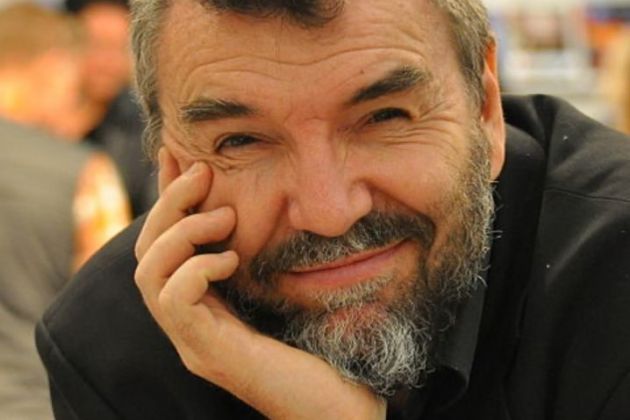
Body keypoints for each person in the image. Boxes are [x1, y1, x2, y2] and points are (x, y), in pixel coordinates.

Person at [36, 0, 630, 419]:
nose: (328, 213)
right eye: (241, 141)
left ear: (485, 110)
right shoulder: (116, 348)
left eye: (384, 117)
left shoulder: (613, 272)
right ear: (170, 168)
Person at [0, 4, 130, 419]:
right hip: (31, 402)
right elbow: (112, 311)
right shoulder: (84, 173)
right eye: (73, 86)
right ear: (53, 67)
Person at [65, 0, 159, 216]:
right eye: (96, 45)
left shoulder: (143, 129)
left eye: (121, 48)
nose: (108, 62)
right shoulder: (35, 117)